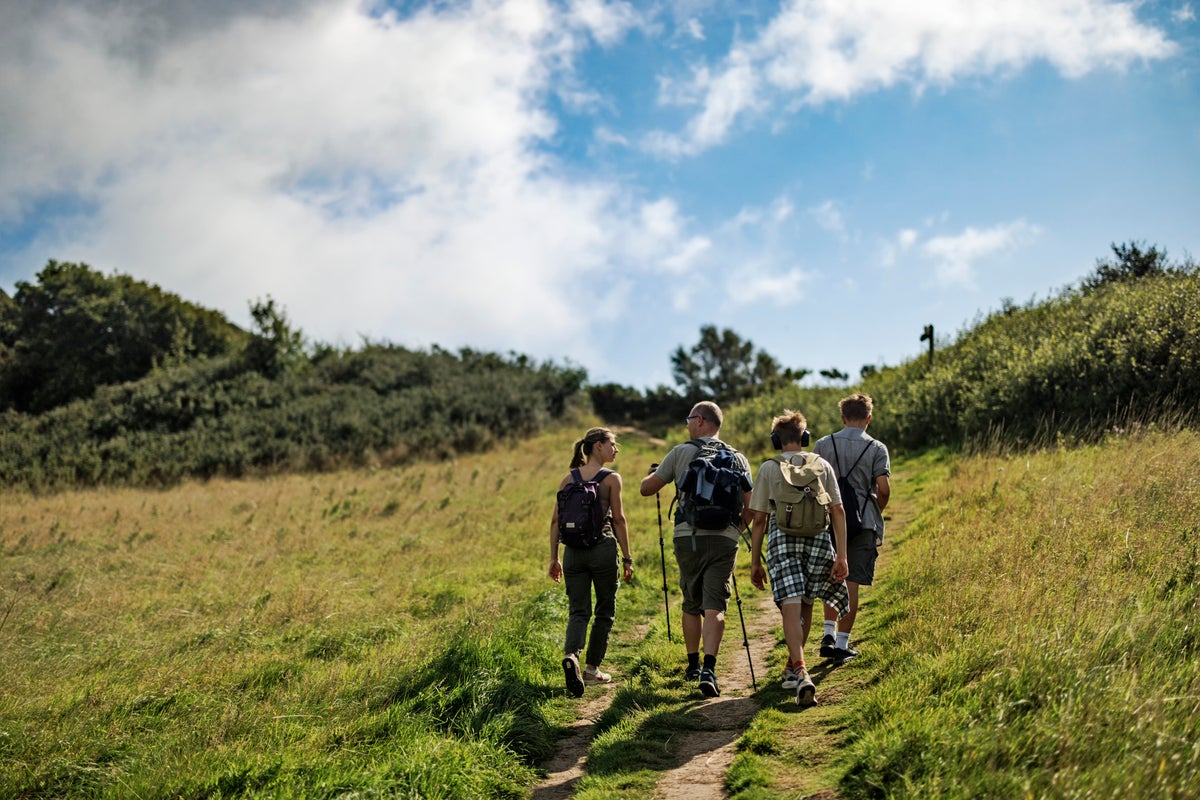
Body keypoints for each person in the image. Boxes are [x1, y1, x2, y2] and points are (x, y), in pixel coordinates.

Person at [640, 401, 751, 698]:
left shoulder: (680, 452)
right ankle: (709, 669)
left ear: (700, 420)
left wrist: (654, 473)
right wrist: (736, 531)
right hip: (725, 538)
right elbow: (751, 504)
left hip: (688, 536)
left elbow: (646, 489)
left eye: (689, 419)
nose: (687, 424)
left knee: (691, 602)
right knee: (715, 604)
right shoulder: (738, 457)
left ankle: (692, 665)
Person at [748, 409, 850, 705]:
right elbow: (838, 510)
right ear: (804, 437)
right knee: (807, 601)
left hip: (782, 540)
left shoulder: (769, 468)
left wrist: (755, 562)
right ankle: (793, 668)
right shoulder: (821, 465)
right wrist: (841, 555)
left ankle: (801, 670)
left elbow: (759, 520)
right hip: (818, 539)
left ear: (776, 440)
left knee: (790, 606)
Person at [549, 427, 635, 697]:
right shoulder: (611, 479)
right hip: (602, 549)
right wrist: (627, 557)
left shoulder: (568, 479)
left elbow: (555, 521)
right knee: (605, 610)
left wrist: (554, 558)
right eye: (612, 444)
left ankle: (571, 656)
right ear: (598, 445)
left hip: (572, 553)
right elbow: (619, 519)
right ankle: (591, 670)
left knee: (578, 611)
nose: (615, 449)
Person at [813, 393, 891, 664]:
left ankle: (828, 633)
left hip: (828, 520)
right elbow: (883, 489)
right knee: (851, 581)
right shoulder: (877, 448)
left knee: (831, 577)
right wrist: (874, 511)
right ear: (869, 419)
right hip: (862, 522)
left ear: (843, 418)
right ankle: (842, 645)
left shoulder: (823, 444)